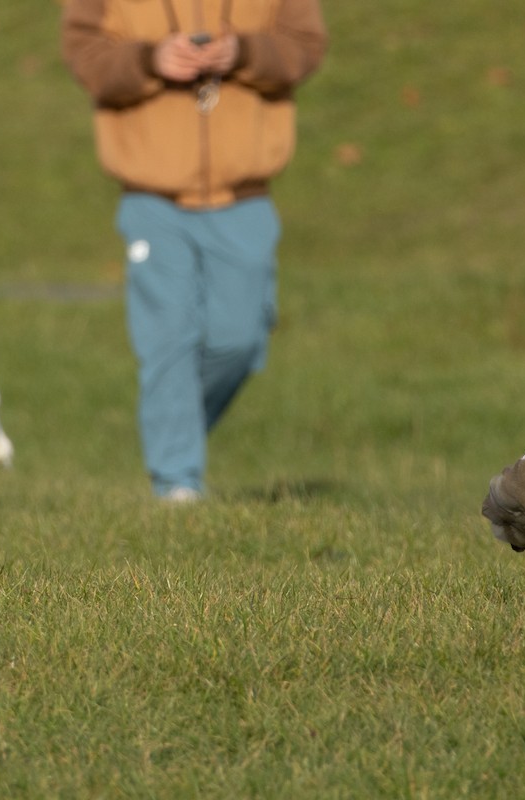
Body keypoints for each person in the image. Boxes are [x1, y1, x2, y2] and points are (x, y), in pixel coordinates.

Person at [61, 0, 328, 501]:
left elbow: (305, 46)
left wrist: (243, 52)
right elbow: (85, 55)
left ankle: (171, 431)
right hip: (149, 195)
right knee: (167, 341)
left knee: (241, 340)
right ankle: (177, 484)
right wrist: (149, 61)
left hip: (245, 194)